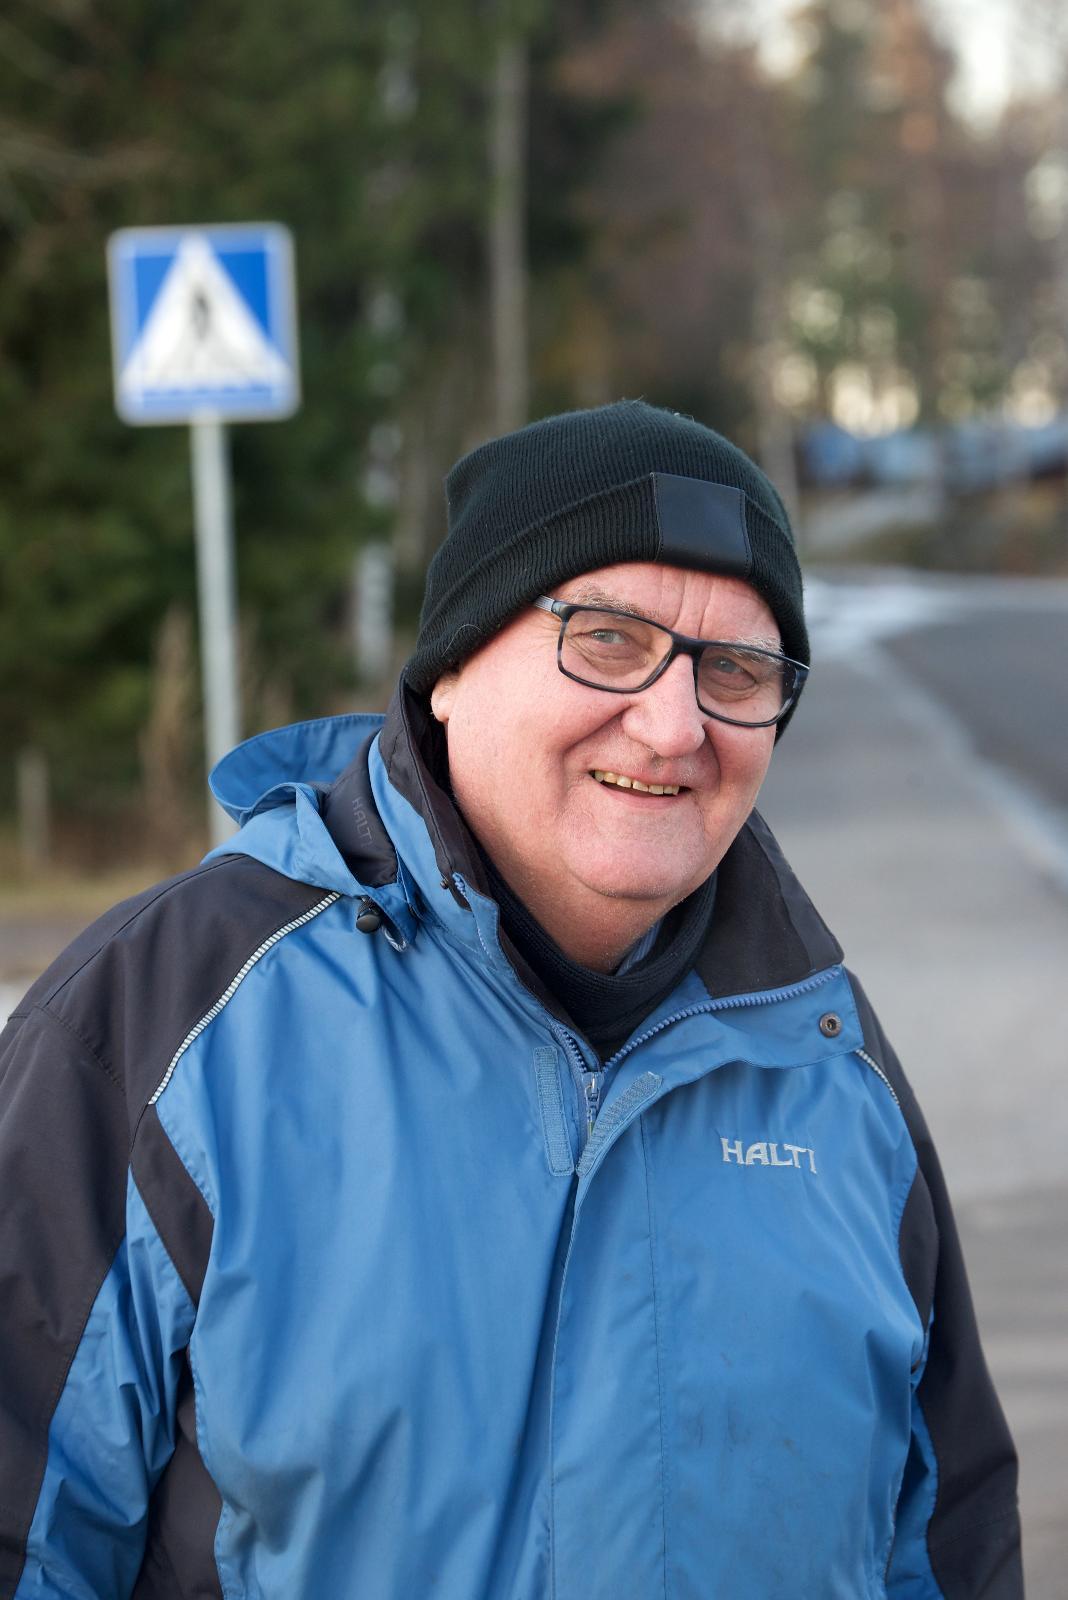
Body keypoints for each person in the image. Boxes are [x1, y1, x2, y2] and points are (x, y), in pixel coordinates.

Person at [0, 401, 1021, 1598]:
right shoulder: (174, 1016)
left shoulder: (827, 1064)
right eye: (607, 639)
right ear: (450, 670)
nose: (675, 721)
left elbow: (942, 1546)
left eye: (737, 669)